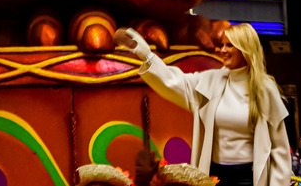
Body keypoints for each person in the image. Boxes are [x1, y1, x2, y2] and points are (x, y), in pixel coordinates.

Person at [115, 22, 290, 186]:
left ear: (245, 49)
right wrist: (146, 54)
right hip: (214, 175)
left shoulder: (265, 88)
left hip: (249, 177)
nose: (222, 50)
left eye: (229, 45)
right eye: (221, 45)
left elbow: (279, 149)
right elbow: (174, 81)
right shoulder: (211, 81)